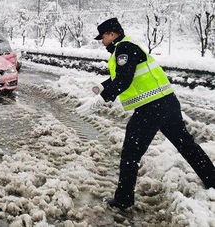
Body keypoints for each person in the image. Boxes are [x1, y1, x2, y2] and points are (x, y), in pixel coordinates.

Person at [77, 17, 215, 211]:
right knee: (186, 144)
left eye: (103, 37)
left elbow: (125, 79)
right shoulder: (128, 46)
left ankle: (123, 200)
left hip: (151, 108)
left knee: (130, 153)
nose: (102, 41)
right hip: (167, 102)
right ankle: (212, 179)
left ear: (112, 34)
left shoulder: (124, 48)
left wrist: (102, 99)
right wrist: (103, 86)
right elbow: (124, 76)